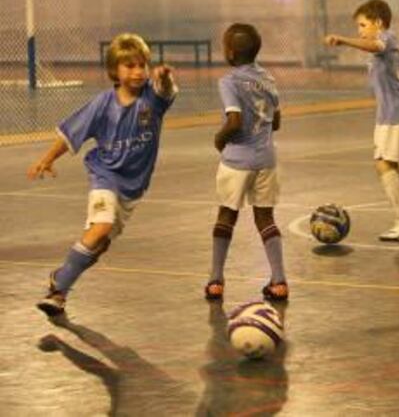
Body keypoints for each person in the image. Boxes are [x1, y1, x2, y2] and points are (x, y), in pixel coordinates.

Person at [28, 33, 177, 316]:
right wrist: (46, 159)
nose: (137, 72)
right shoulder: (102, 105)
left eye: (141, 65)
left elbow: (166, 91)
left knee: (99, 245)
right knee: (101, 227)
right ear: (114, 71)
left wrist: (165, 77)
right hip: (104, 175)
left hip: (132, 188)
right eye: (129, 66)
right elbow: (71, 133)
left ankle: (60, 277)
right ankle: (57, 293)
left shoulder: (152, 100)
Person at [324, 0, 399, 241]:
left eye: (363, 25)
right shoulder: (388, 46)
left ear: (379, 23)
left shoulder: (387, 38)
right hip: (387, 113)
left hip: (395, 113)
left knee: (385, 164)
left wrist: (343, 40)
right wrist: (396, 88)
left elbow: (376, 47)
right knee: (387, 164)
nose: (360, 31)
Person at [205, 23, 287, 302]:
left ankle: (216, 280)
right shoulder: (269, 79)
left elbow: (235, 120)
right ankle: (279, 281)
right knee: (265, 218)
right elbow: (275, 122)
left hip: (237, 161)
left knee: (227, 215)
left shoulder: (228, 82)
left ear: (229, 52)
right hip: (267, 160)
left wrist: (219, 139)